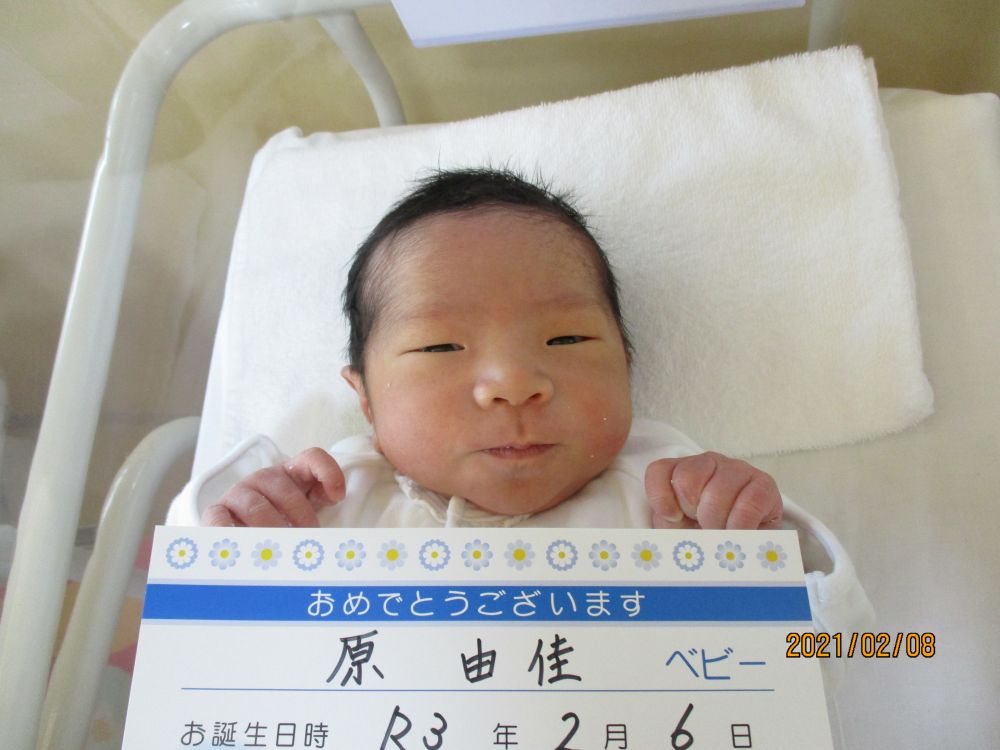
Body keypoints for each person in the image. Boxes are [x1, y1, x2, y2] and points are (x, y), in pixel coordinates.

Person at [177, 168, 785, 532]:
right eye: (440, 346)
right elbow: (191, 621)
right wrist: (242, 524)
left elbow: (828, 642)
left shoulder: (669, 492)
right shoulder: (331, 497)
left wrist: (755, 525)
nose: (513, 383)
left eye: (567, 339)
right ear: (364, 399)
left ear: (625, 365)